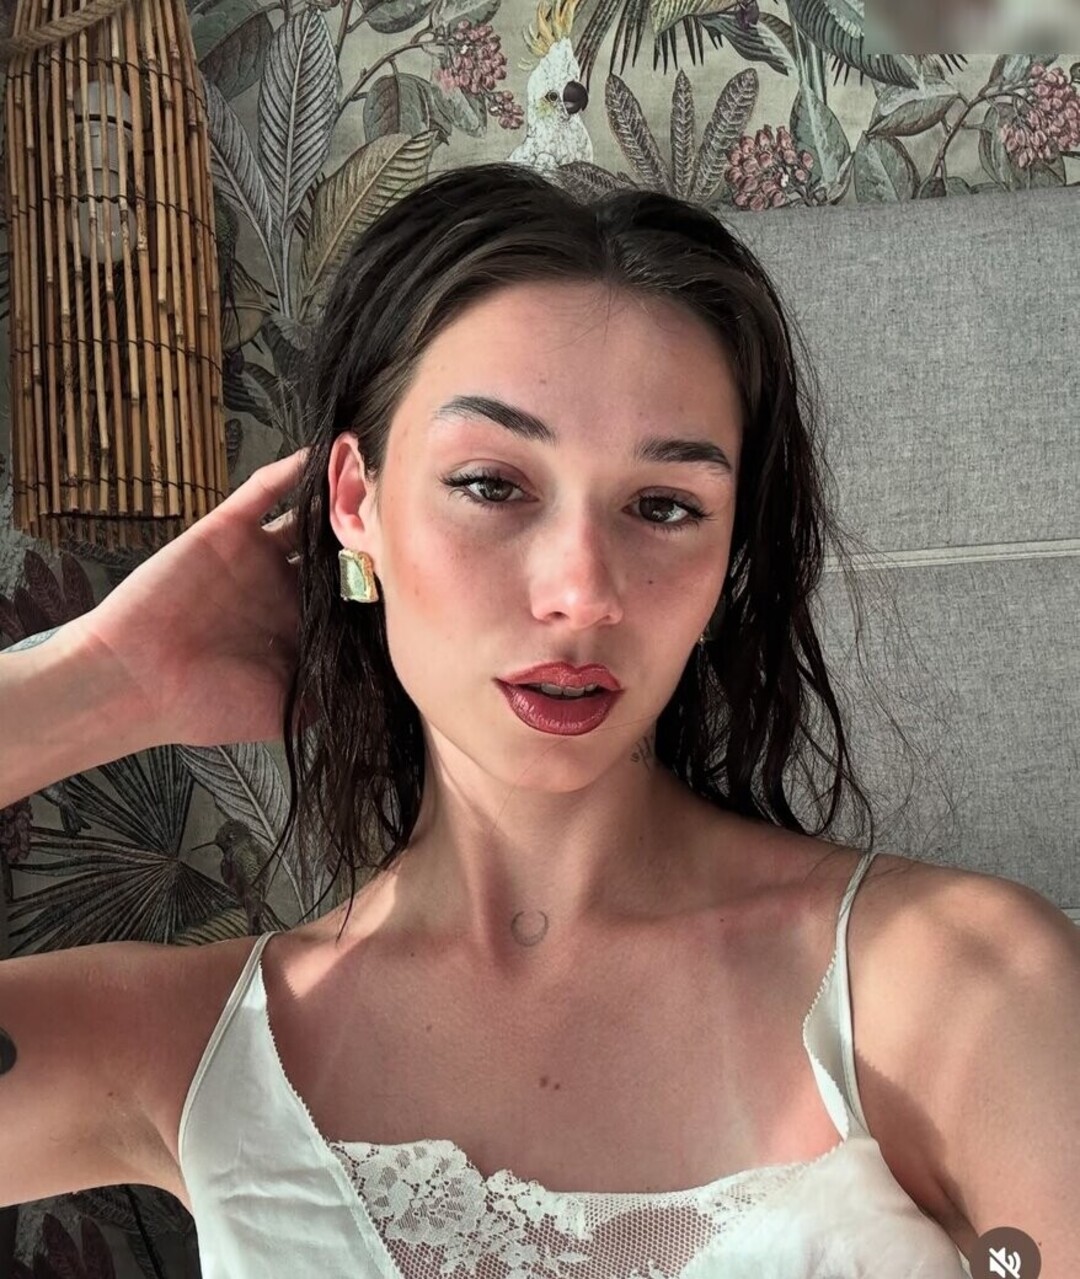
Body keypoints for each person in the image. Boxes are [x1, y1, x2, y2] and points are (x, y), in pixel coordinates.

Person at [1, 163, 1076, 1278]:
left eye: (665, 506)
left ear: (727, 559)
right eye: (492, 485)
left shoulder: (959, 983)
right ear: (356, 501)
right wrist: (100, 682)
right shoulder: (189, 1045)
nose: (582, 591)